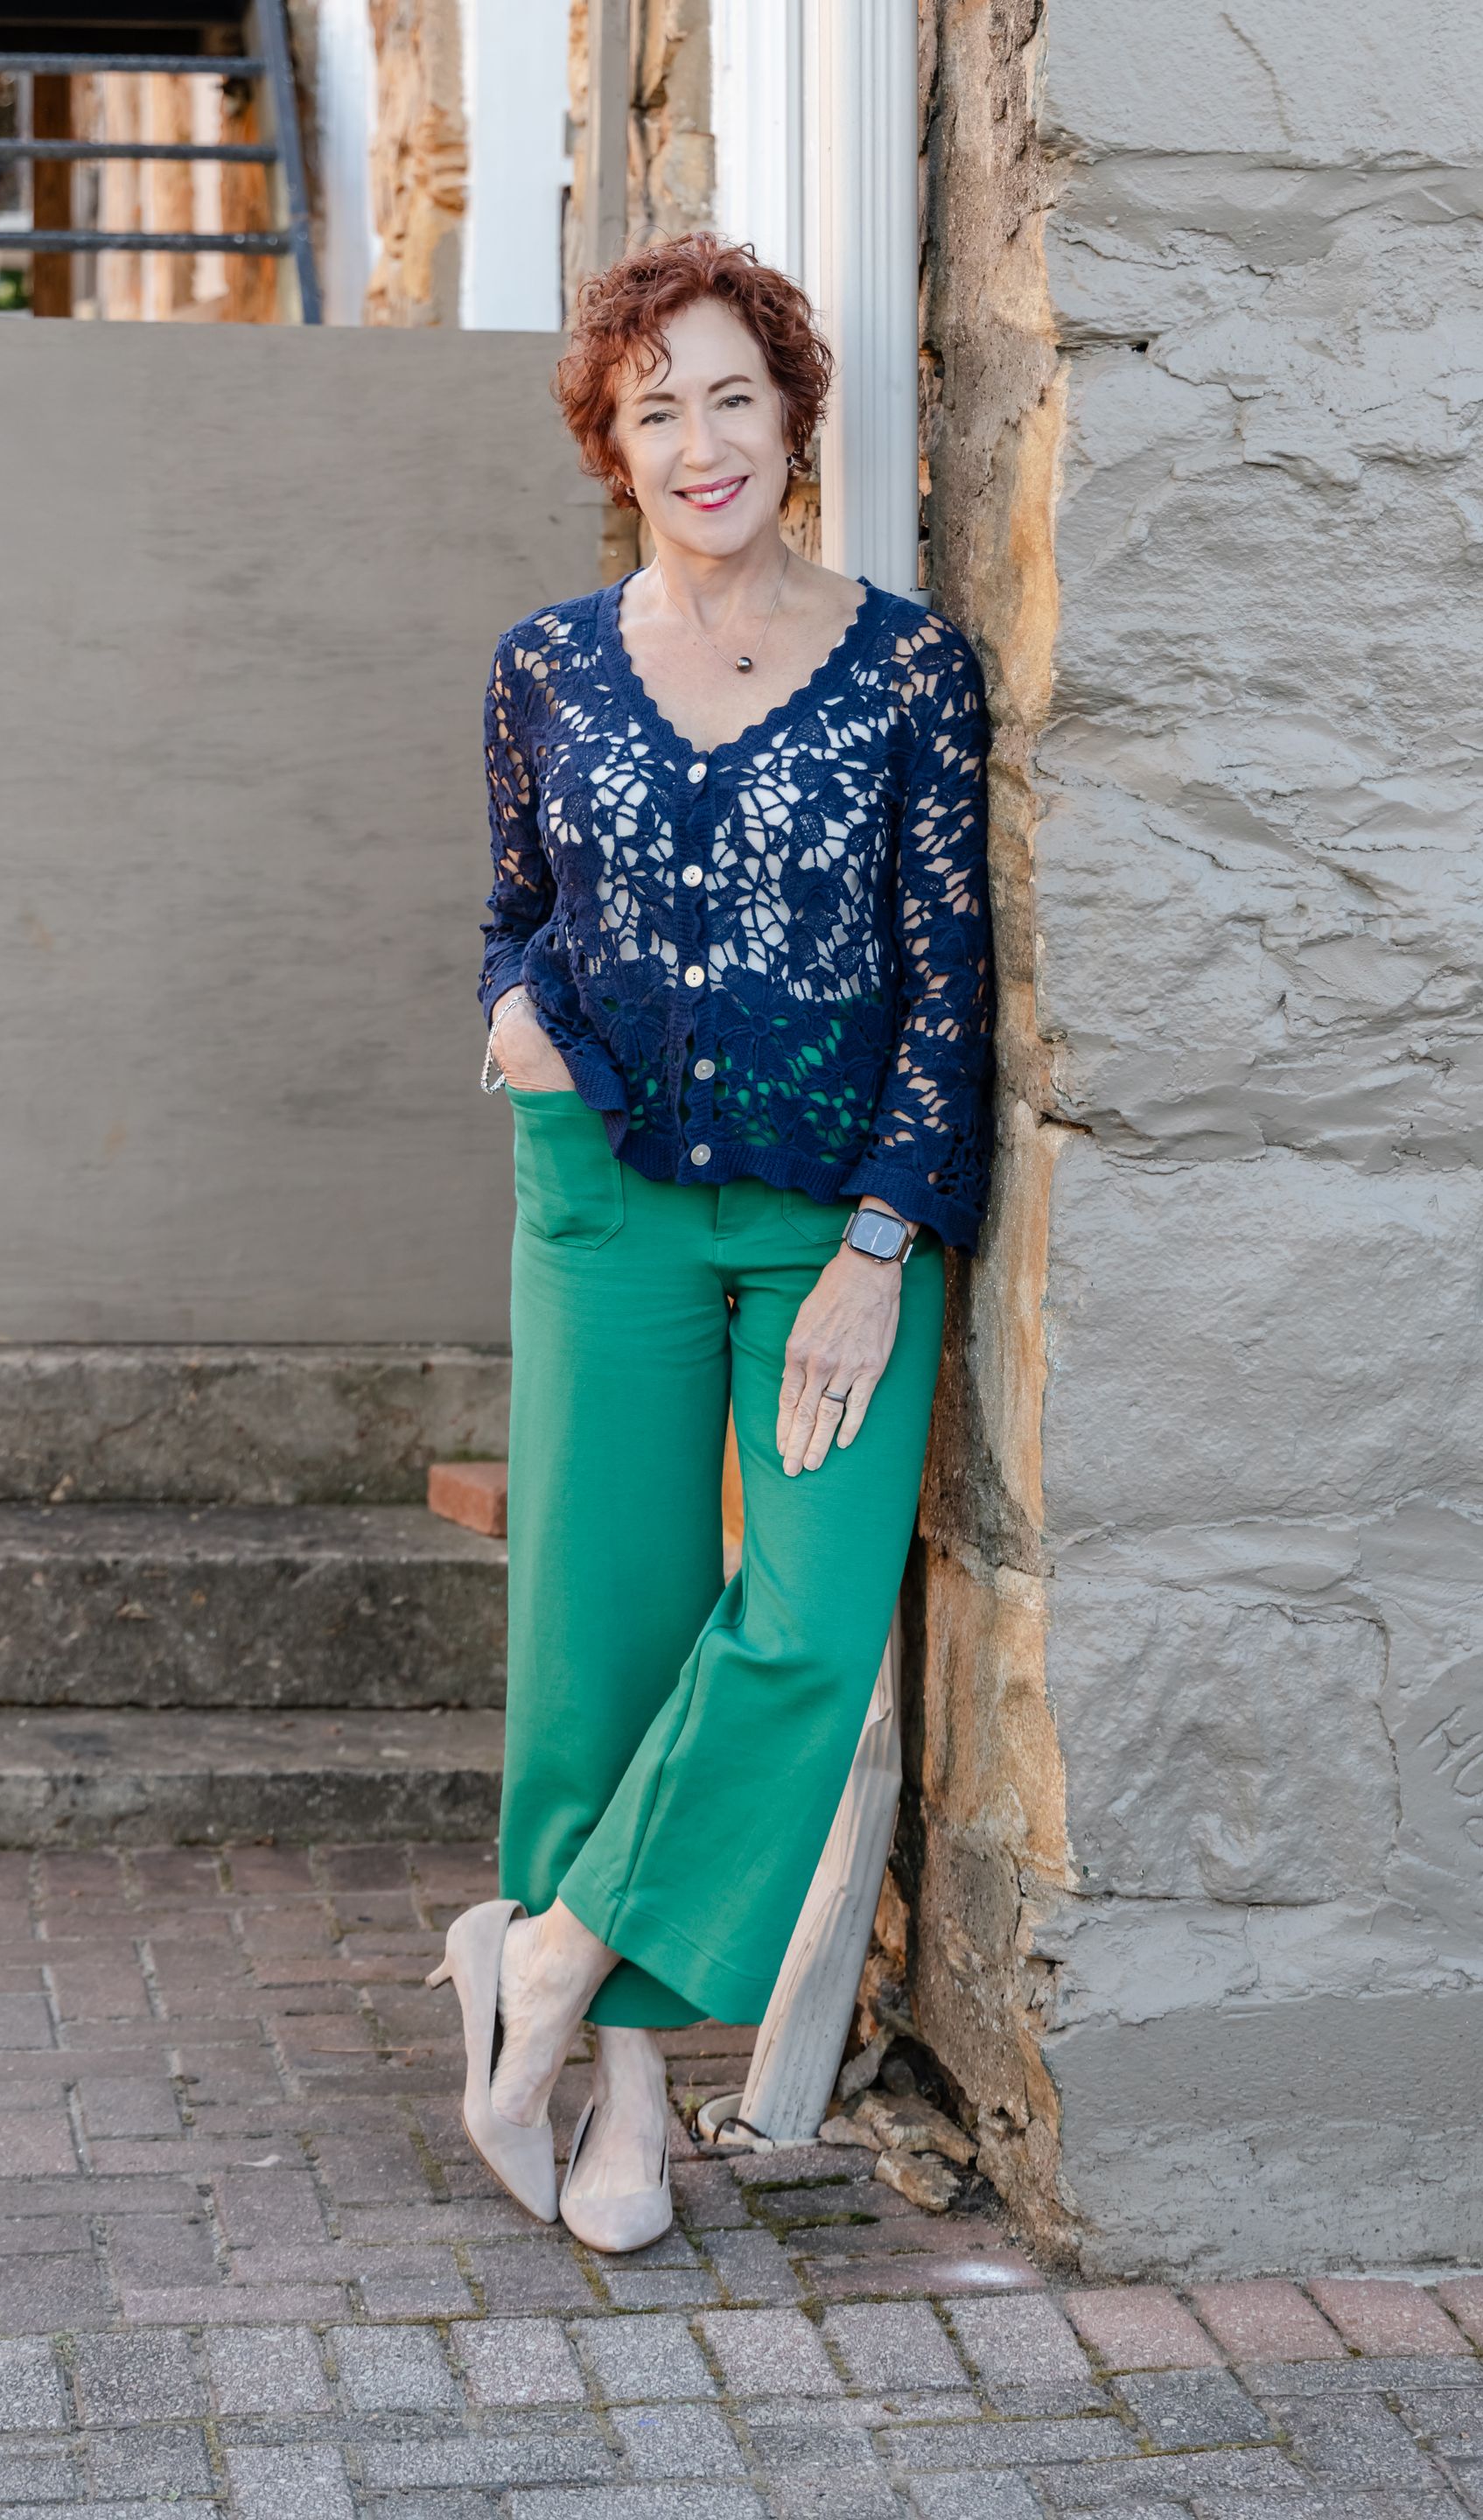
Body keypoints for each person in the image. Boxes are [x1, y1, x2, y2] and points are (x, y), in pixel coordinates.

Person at [427, 232, 996, 2253]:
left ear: (790, 415)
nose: (697, 439)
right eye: (652, 405)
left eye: (729, 394)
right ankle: (637, 2099)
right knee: (602, 1638)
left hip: (837, 1223)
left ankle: (557, 1956)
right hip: (603, 1206)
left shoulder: (912, 666)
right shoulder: (544, 668)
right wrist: (510, 1017)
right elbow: (515, 911)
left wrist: (878, 1244)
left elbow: (953, 989)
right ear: (614, 440)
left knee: (809, 1622)